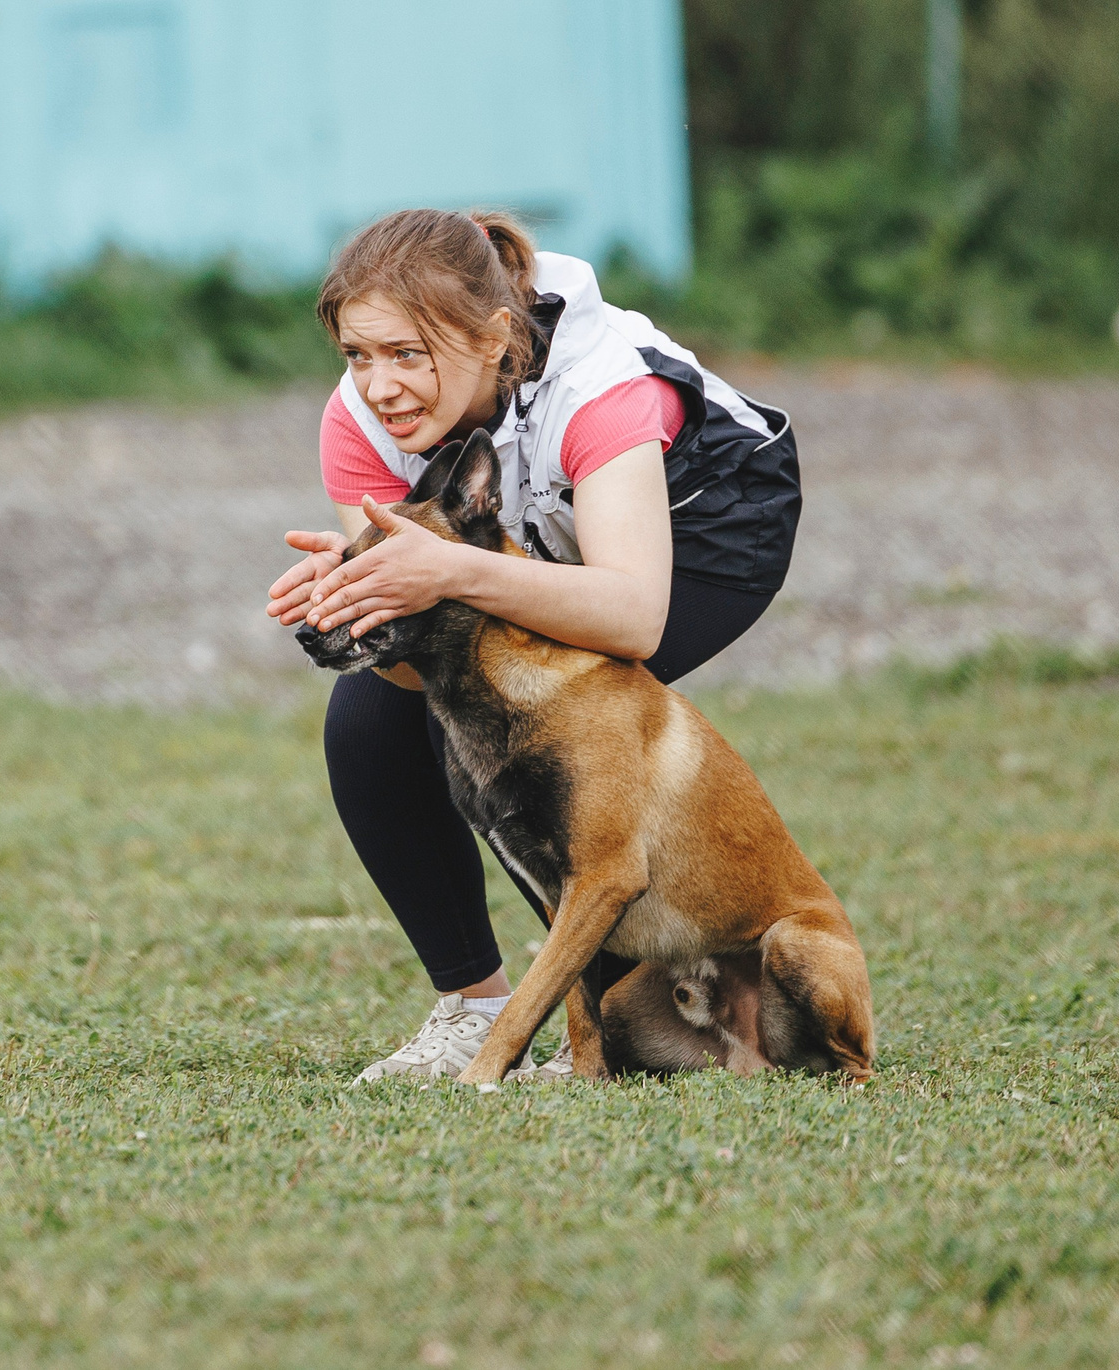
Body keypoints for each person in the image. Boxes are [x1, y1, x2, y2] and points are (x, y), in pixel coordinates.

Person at [265, 208, 801, 1082]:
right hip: (526, 551)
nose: (379, 385)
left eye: (407, 353)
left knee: (541, 727)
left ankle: (615, 1025)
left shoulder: (600, 390)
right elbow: (414, 649)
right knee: (371, 718)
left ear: (494, 337)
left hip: (703, 540)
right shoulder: (356, 420)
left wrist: (450, 571)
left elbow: (633, 615)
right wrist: (354, 598)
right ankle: (473, 1007)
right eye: (358, 355)